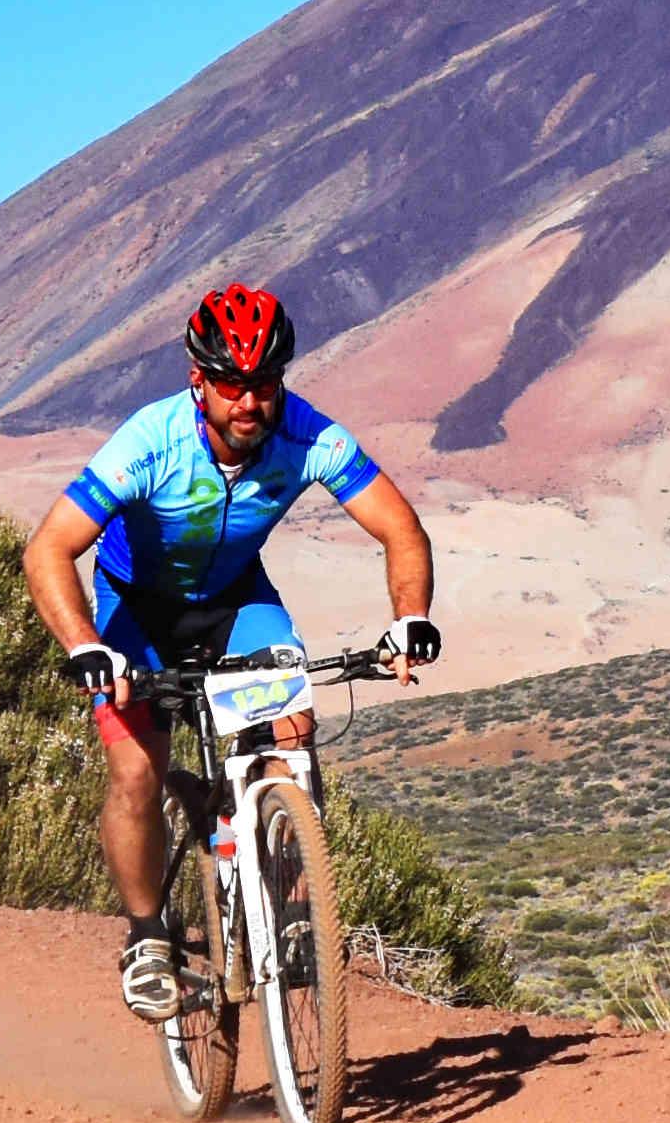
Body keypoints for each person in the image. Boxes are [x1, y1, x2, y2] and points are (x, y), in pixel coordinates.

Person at [28, 282, 440, 1021]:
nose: (250, 403)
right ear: (199, 382)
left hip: (235, 601)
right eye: (232, 386)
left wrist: (410, 620)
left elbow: (401, 528)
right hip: (135, 611)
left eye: (264, 385)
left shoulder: (308, 435)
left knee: (294, 733)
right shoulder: (149, 442)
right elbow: (49, 549)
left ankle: (282, 895)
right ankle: (149, 939)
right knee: (134, 773)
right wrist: (86, 646)